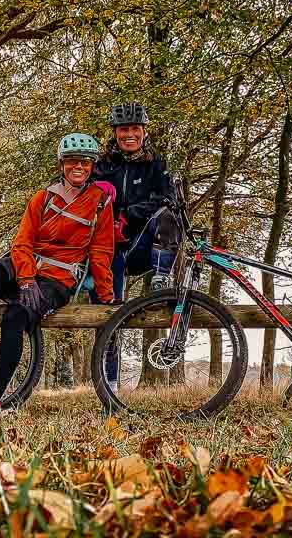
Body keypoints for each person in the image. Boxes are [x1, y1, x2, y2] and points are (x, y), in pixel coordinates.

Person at [0, 132, 115, 412]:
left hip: (58, 279)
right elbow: (22, 241)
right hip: (28, 267)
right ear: (62, 164)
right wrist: (25, 279)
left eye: (85, 162)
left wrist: (106, 296)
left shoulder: (100, 202)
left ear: (92, 166)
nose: (78, 167)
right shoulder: (43, 197)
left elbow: (101, 252)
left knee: (17, 315)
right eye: (72, 161)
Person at [90, 101, 182, 390]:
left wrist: (129, 213)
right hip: (109, 247)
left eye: (134, 129)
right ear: (115, 133)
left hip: (144, 243)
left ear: (144, 131)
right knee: (109, 314)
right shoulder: (102, 165)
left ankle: (161, 278)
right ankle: (110, 383)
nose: (129, 134)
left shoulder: (157, 164)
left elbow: (167, 198)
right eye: (123, 129)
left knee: (169, 215)